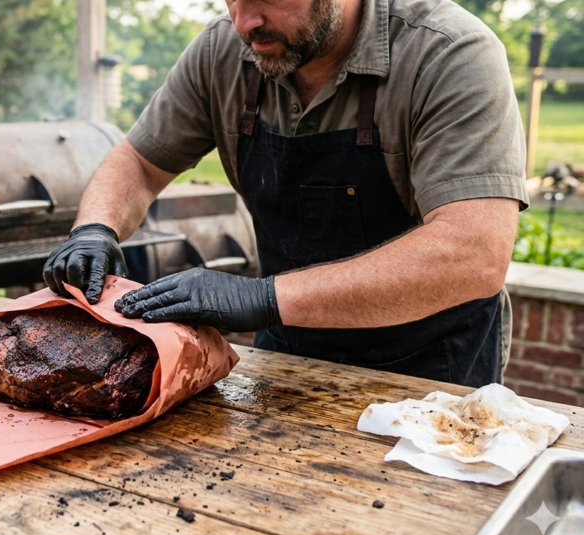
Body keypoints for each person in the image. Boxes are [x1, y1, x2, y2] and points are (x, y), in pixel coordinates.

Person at [42, 0, 529, 387]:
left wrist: (262, 298)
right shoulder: (223, 51)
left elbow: (473, 253)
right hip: (287, 362)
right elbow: (139, 162)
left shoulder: (448, 53)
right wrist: (94, 229)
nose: (243, 21)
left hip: (429, 375)